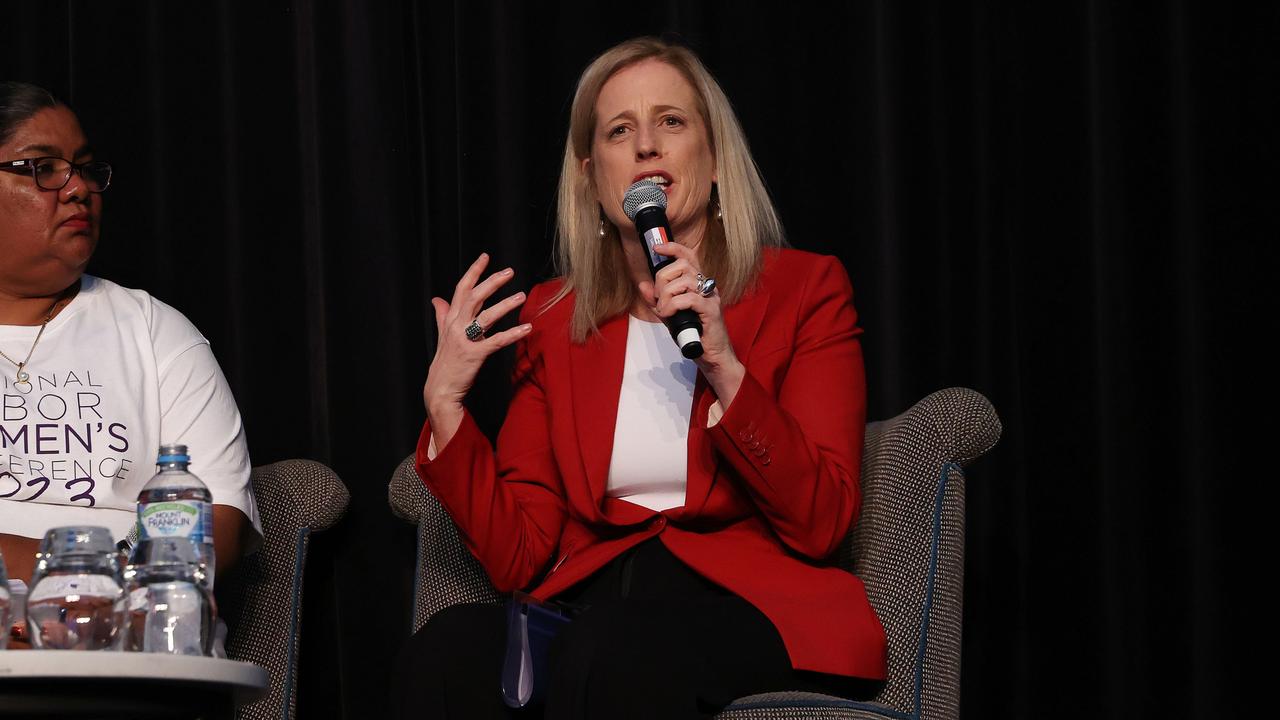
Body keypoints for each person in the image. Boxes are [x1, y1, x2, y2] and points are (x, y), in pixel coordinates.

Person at [393, 37, 885, 719]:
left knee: (615, 648)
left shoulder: (806, 289)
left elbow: (821, 523)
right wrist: (445, 405)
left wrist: (725, 366)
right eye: (621, 130)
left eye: (672, 122)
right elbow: (519, 556)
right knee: (444, 652)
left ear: (713, 162)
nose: (647, 146)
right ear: (593, 178)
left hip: (745, 604)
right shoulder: (555, 319)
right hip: (597, 604)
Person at [0, 81, 261, 645]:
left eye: (88, 169)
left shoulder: (155, 331)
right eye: (44, 168)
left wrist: (76, 596)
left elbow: (220, 528)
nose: (79, 190)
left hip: (128, 639)